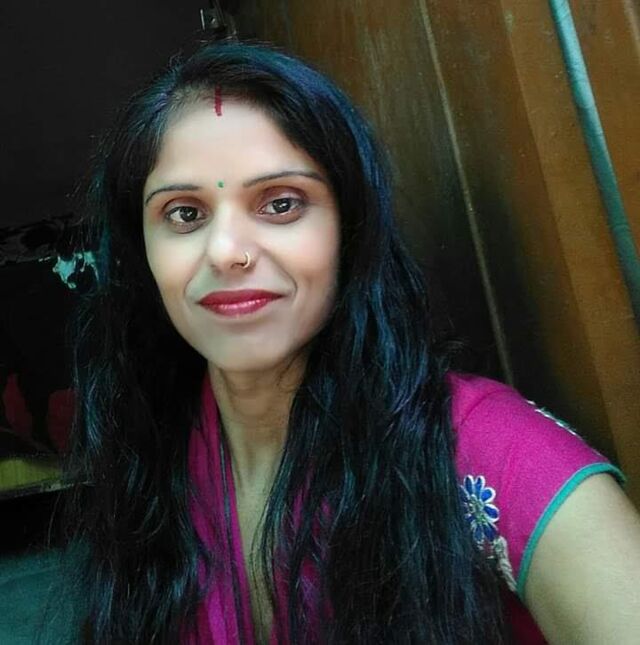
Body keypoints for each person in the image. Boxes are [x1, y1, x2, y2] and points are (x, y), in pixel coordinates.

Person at [63, 40, 640, 644]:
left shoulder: (485, 451)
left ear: (350, 230)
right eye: (184, 214)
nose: (226, 251)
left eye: (281, 204)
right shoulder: (151, 452)